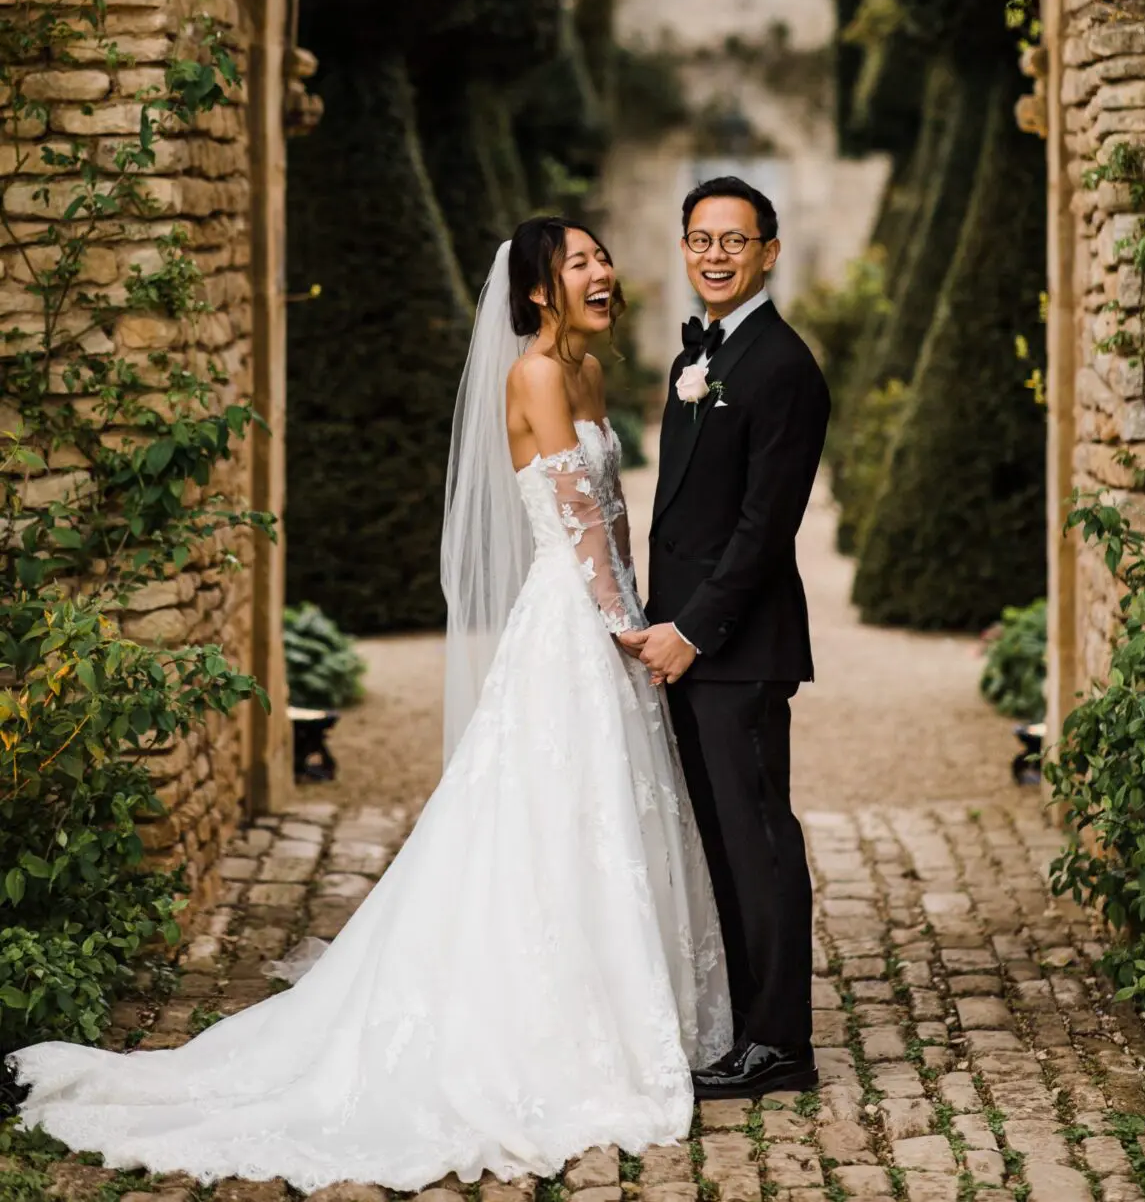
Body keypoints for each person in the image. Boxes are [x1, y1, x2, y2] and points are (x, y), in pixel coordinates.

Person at [10, 218, 731, 1193]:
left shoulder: (591, 375)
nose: (602, 271)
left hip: (609, 615)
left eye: (601, 256)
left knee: (602, 814)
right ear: (534, 294)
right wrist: (624, 630)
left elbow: (614, 520)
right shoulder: (536, 377)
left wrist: (637, 610)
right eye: (579, 263)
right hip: (574, 624)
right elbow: (576, 530)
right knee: (546, 815)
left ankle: (617, 1002)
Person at [625, 176, 830, 1101]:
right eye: (701, 239)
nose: (715, 254)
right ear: (684, 247)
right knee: (718, 839)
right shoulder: (699, 356)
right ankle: (742, 1022)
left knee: (760, 842)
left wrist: (693, 635)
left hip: (734, 651)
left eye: (734, 241)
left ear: (768, 252)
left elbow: (762, 528)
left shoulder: (785, 367)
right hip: (686, 646)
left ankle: (781, 1043)